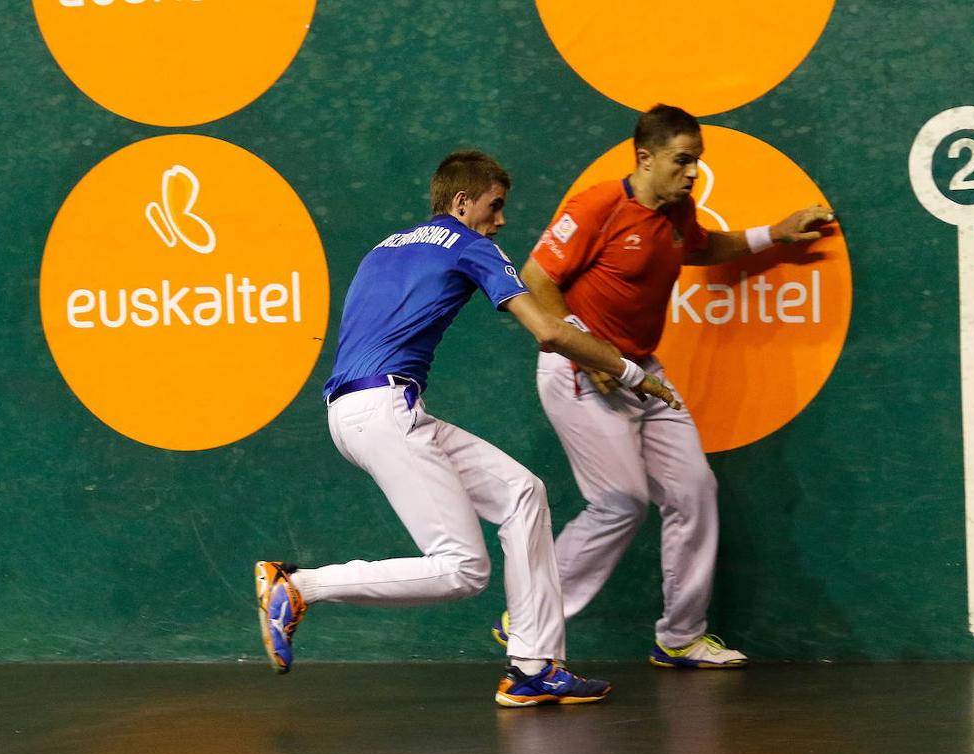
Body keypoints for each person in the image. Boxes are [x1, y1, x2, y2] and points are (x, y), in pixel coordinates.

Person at [254, 149, 680, 707]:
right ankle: (300, 585)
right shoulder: (470, 244)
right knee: (463, 570)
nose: (500, 220)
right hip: (386, 410)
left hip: (361, 411)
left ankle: (533, 664)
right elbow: (548, 332)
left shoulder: (384, 247)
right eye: (494, 205)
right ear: (461, 202)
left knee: (523, 493)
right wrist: (627, 371)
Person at [493, 105, 836, 668]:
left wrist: (774, 234)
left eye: (697, 161)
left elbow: (700, 248)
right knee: (620, 501)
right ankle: (527, 616)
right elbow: (534, 280)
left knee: (695, 492)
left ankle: (680, 636)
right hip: (578, 371)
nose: (692, 172)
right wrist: (586, 346)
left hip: (642, 374)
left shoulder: (679, 213)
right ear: (645, 157)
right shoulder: (597, 207)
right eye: (682, 160)